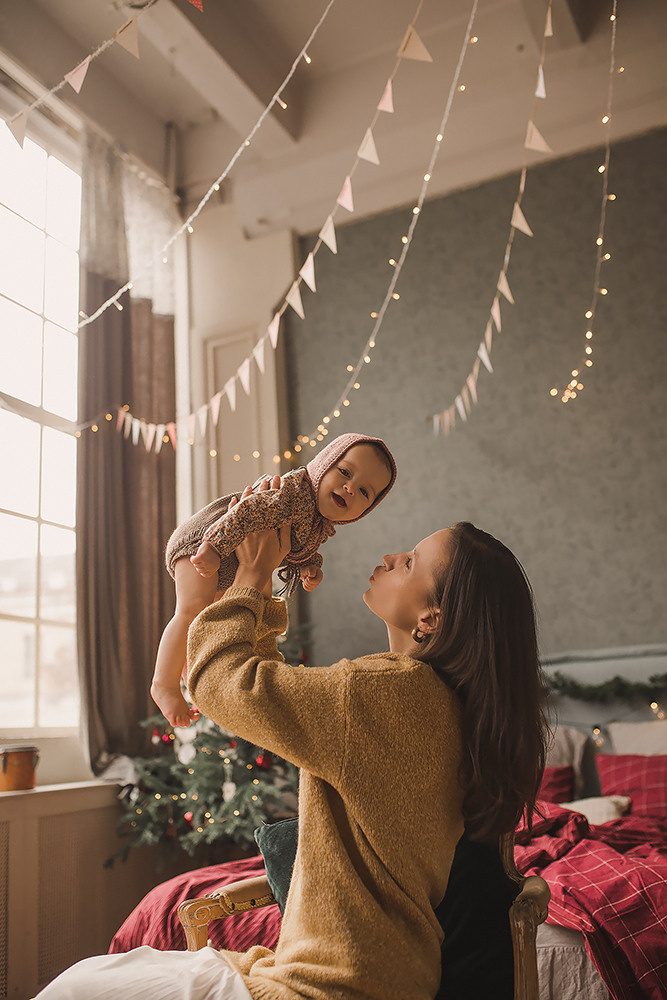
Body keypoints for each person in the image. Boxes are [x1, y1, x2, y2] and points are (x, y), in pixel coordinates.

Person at [35, 480, 547, 1000]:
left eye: (411, 562)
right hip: (389, 975)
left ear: (430, 618)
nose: (391, 557)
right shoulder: (437, 704)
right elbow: (267, 690)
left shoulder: (389, 694)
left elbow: (220, 681)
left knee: (77, 988)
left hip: (336, 984)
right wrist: (261, 589)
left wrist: (251, 579)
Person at [152, 433, 396, 727]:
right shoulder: (293, 494)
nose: (350, 487)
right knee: (192, 610)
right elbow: (245, 512)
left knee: (207, 625)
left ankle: (190, 675)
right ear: (323, 464)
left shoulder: (318, 522)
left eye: (365, 491)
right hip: (204, 540)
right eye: (345, 472)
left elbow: (297, 547)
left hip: (227, 561)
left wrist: (310, 566)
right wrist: (214, 547)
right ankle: (163, 685)